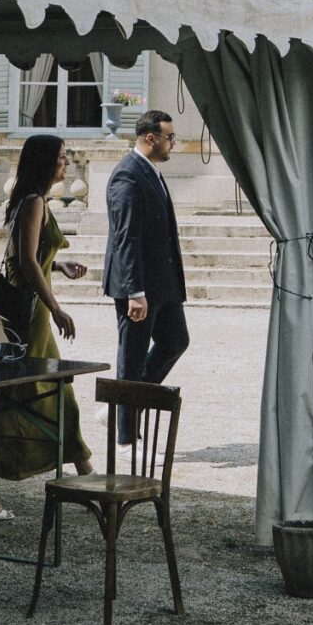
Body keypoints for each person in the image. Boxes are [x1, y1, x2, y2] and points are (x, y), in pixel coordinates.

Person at [0, 133, 95, 491]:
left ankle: (84, 467)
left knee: (52, 387)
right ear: (44, 163)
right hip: (32, 314)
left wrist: (58, 265)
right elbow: (27, 262)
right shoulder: (34, 202)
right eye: (61, 157)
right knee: (22, 391)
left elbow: (31, 258)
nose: (66, 162)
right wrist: (56, 308)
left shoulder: (33, 201)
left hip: (31, 312)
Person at [102, 109, 187, 445]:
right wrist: (134, 291)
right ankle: (125, 436)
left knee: (176, 341)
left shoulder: (150, 171)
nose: (173, 143)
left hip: (162, 283)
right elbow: (126, 237)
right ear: (150, 138)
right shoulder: (127, 175)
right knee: (132, 357)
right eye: (169, 137)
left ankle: (126, 405)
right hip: (138, 286)